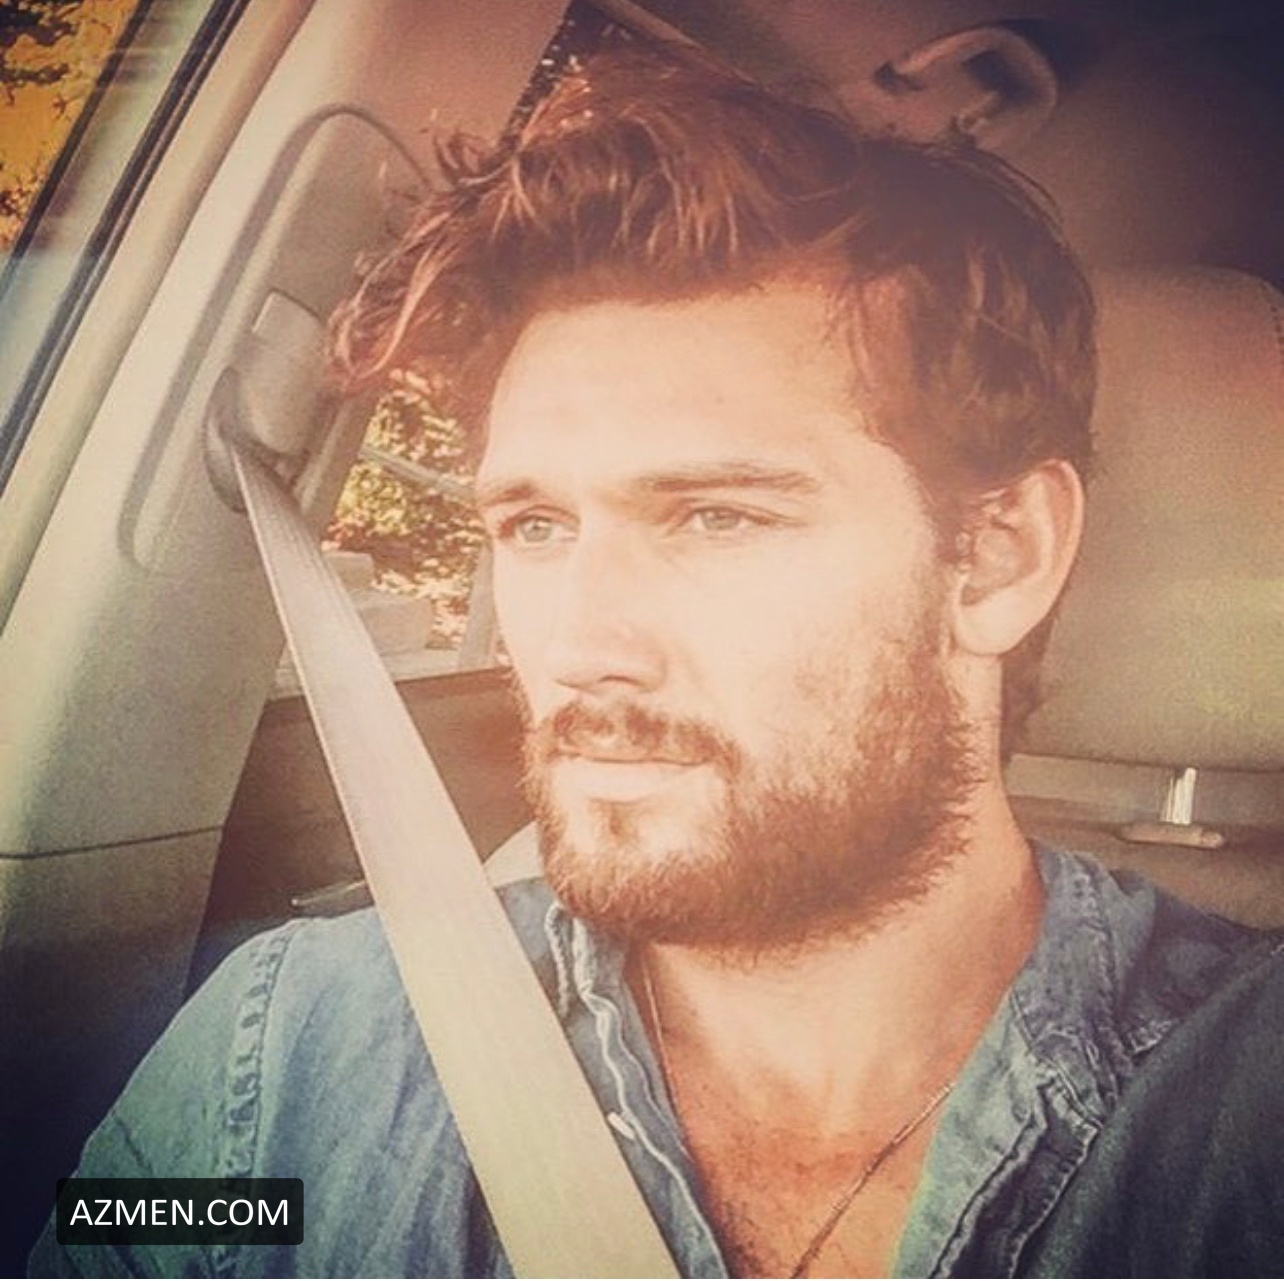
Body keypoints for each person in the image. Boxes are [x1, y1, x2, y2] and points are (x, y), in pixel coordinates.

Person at [32, 45, 1284, 1279]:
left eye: (716, 517)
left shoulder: (1243, 1115)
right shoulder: (278, 1072)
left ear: (998, 557)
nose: (580, 649)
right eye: (536, 526)